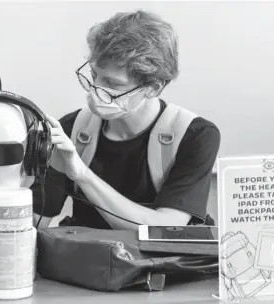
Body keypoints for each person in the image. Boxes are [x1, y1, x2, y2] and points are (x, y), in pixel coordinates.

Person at [33, 10, 221, 230]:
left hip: (159, 264)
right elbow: (35, 222)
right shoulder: (71, 129)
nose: (96, 90)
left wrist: (82, 175)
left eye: (113, 85)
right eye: (94, 75)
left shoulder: (195, 136)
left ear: (153, 88)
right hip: (88, 261)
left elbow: (165, 229)